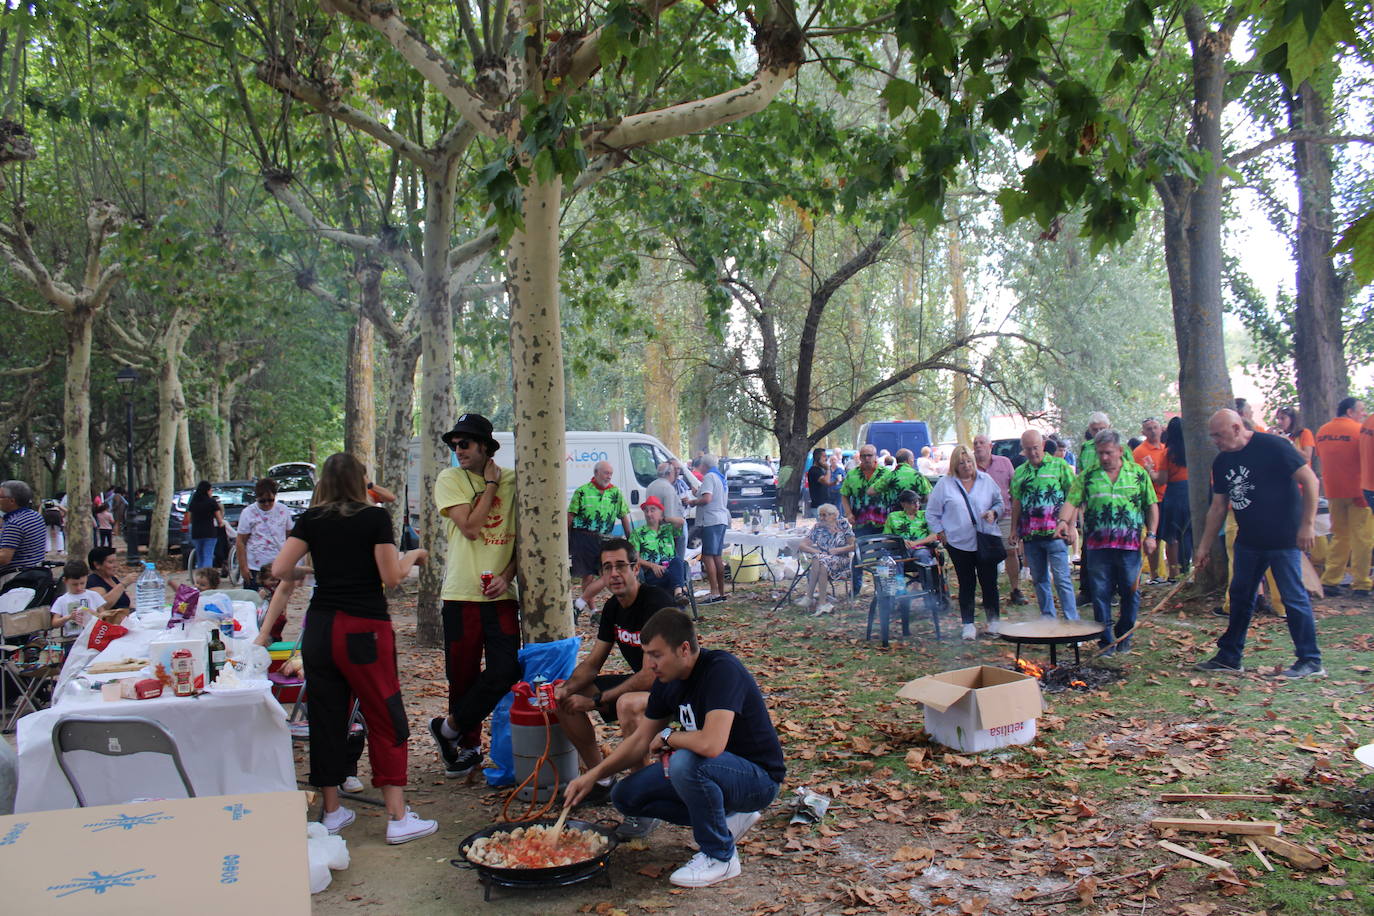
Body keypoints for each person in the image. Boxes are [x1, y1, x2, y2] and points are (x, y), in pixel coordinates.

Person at [271, 452, 434, 843]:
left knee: (326, 718)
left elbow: (279, 570)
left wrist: (315, 570)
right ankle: (397, 817)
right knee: (384, 713)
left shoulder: (310, 519)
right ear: (362, 482)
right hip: (364, 629)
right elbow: (391, 577)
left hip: (321, 628)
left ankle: (331, 812)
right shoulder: (373, 518)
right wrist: (416, 554)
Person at [564, 608, 784, 889]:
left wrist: (669, 737)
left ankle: (721, 857)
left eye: (656, 654)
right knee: (627, 796)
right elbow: (640, 740)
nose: (649, 663)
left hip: (758, 778)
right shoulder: (667, 682)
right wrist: (593, 775)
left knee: (684, 762)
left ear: (683, 649)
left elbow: (710, 744)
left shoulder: (721, 670)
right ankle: (728, 818)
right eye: (646, 654)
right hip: (712, 770)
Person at [1193, 410, 1324, 678]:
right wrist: (1204, 546)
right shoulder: (1221, 462)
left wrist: (1307, 524)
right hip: (1249, 540)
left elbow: (1310, 480)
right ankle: (1230, 656)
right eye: (1213, 436)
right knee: (1240, 596)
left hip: (1283, 538)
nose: (1215, 440)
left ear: (1236, 427)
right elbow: (1218, 508)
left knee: (1293, 597)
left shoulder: (1273, 446)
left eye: (1219, 434)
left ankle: (1310, 660)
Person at [431, 413, 520, 777]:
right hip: (461, 594)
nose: (458, 450)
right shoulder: (449, 478)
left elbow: (526, 538)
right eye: (454, 445)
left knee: (506, 671)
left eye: (465, 444)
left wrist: (507, 575)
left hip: (501, 595)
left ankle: (447, 729)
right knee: (462, 676)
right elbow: (469, 527)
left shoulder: (515, 480)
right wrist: (490, 486)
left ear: (485, 446)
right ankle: (466, 748)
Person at [554, 538, 672, 814]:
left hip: (675, 690)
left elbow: (649, 676)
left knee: (627, 704)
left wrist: (596, 701)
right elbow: (594, 662)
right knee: (567, 697)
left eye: (621, 566)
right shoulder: (612, 608)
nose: (614, 574)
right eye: (608, 568)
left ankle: (645, 801)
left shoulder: (655, 603)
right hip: (646, 685)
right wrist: (565, 688)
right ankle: (601, 779)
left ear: (635, 567)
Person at [1060, 430, 1157, 653]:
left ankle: (1124, 636)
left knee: (1130, 593)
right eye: (1100, 453)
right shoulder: (1088, 476)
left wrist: (1151, 535)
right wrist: (1063, 522)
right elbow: (1072, 501)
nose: (1104, 458)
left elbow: (1151, 505)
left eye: (1108, 453)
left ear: (1120, 451)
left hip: (1129, 547)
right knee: (1100, 593)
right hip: (1097, 547)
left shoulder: (1137, 474)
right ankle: (1106, 641)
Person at [926, 445, 1004, 640]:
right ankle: (968, 624)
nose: (967, 466)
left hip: (985, 539)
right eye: (962, 463)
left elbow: (1000, 502)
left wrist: (994, 513)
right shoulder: (945, 485)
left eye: (969, 461)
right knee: (966, 583)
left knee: (989, 582)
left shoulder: (986, 480)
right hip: (959, 542)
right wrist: (941, 532)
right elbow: (932, 513)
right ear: (955, 465)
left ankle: (994, 621)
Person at [1008, 430, 1079, 621]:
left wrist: (1071, 526)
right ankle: (1048, 619)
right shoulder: (1021, 472)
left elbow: (1073, 496)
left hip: (1056, 533)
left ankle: (1073, 622)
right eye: (1028, 449)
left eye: (1036, 448)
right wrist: (1014, 529)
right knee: (1039, 580)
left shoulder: (1059, 466)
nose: (1033, 453)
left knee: (1062, 579)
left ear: (1043, 445)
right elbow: (1016, 502)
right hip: (1031, 536)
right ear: (1023, 450)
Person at [1314, 397, 1372, 597]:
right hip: (1358, 493)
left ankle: (1330, 580)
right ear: (1349, 412)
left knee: (1339, 536)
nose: (1363, 414)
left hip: (1333, 493)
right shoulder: (1360, 431)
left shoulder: (1321, 432)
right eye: (1361, 410)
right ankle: (1361, 583)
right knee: (1362, 539)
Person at [973, 435, 1023, 604]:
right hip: (981, 518)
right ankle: (988, 591)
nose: (978, 446)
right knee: (984, 556)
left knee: (1011, 550)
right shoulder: (969, 466)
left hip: (1006, 514)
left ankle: (1015, 589)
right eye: (975, 443)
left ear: (990, 446)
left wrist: (1018, 515)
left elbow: (1015, 488)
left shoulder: (1004, 462)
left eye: (981, 443)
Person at [568, 461, 632, 589]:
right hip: (583, 537)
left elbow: (624, 515)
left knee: (607, 571)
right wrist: (566, 540)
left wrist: (630, 539)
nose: (609, 476)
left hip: (604, 538)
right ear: (596, 473)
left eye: (611, 474)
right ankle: (590, 607)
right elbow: (570, 517)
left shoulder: (615, 493)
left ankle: (585, 601)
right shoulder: (582, 491)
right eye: (606, 473)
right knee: (588, 575)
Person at [840, 444, 888, 594]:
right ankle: (855, 588)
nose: (867, 459)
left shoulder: (886, 473)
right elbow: (844, 494)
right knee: (860, 554)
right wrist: (848, 513)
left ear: (875, 457)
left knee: (883, 555)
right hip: (861, 521)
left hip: (883, 521)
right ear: (859, 457)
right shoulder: (852, 474)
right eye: (864, 456)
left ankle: (884, 588)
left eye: (870, 455)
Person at [796, 503, 855, 615]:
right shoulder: (818, 527)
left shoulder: (843, 525)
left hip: (841, 561)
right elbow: (802, 545)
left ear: (834, 515)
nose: (821, 518)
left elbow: (854, 545)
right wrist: (817, 551)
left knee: (819, 560)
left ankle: (809, 596)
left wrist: (838, 550)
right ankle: (822, 603)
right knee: (821, 561)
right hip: (823, 560)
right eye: (820, 515)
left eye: (825, 515)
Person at [236, 478, 295, 589]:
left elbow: (290, 537)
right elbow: (240, 541)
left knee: (278, 602)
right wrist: (243, 567)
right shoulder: (248, 513)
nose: (267, 504)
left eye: (270, 500)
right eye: (262, 501)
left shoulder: (283, 510)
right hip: (255, 567)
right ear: (257, 498)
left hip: (278, 565)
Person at [1154, 417, 1192, 581]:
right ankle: (1187, 569)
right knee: (1189, 532)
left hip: (1174, 493)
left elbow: (1161, 479)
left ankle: (1174, 573)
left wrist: (1150, 471)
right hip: (1191, 492)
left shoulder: (1168, 453)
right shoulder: (1194, 449)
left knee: (1172, 535)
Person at [1133, 418, 1169, 584]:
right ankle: (1154, 575)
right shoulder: (1139, 452)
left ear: (1161, 429)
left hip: (1166, 497)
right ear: (1143, 432)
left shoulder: (1165, 449)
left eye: (1155, 427)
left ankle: (1170, 572)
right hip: (1151, 499)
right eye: (1149, 428)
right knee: (1152, 536)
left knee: (1168, 536)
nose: (1153, 431)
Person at [692, 454, 729, 604]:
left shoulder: (709, 477)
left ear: (703, 465)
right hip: (721, 519)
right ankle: (721, 591)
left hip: (711, 521)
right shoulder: (719, 477)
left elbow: (707, 499)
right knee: (717, 556)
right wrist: (697, 492)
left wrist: (693, 501)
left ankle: (713, 593)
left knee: (707, 556)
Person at [629, 497, 685, 591]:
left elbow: (682, 521)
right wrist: (653, 566)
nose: (649, 514)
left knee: (677, 561)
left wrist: (665, 519)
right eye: (646, 511)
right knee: (675, 575)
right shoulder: (638, 533)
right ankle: (680, 591)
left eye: (653, 510)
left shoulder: (668, 529)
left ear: (660, 512)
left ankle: (678, 591)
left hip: (672, 568)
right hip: (653, 573)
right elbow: (635, 558)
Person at [0, 480, 48, 587]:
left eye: (0, 497)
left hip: (14, 577)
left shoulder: (15, 523)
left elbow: (4, 558)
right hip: (35, 572)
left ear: (12, 501)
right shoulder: (35, 516)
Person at [50, 560, 98, 637]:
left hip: (93, 636)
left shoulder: (93, 595)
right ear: (65, 581)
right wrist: (69, 617)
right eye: (74, 584)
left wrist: (93, 614)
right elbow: (55, 623)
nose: (79, 588)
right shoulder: (62, 600)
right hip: (72, 638)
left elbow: (103, 616)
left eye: (82, 583)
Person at [186, 481, 225, 571]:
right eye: (211, 490)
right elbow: (219, 520)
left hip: (196, 533)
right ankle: (207, 576)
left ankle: (200, 576)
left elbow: (188, 518)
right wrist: (221, 525)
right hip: (209, 533)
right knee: (208, 555)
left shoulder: (193, 502)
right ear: (207, 491)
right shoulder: (211, 502)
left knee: (200, 556)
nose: (211, 492)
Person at [85, 546, 136, 611]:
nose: (115, 565)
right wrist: (123, 584)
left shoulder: (113, 579)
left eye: (116, 561)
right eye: (111, 562)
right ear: (97, 565)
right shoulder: (93, 582)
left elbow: (127, 602)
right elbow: (102, 606)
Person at [805, 448, 835, 519]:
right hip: (819, 506)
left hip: (825, 504)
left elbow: (828, 484)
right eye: (824, 456)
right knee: (825, 526)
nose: (826, 459)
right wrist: (828, 469)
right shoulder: (814, 470)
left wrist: (836, 482)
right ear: (817, 458)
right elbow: (826, 481)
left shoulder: (820, 470)